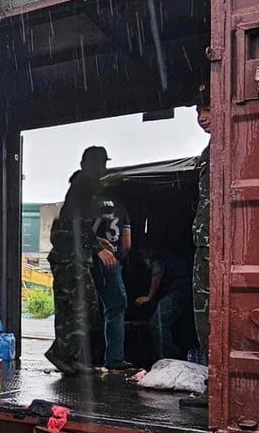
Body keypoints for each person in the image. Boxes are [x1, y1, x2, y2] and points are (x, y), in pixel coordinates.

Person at [43, 147, 113, 375]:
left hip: (66, 257)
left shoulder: (79, 186)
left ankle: (66, 356)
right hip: (72, 259)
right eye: (101, 164)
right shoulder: (86, 186)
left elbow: (74, 223)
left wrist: (97, 241)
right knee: (86, 306)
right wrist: (97, 248)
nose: (103, 169)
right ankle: (68, 355)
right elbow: (77, 223)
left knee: (68, 308)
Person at [183, 84, 212, 407]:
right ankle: (214, 379)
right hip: (206, 244)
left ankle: (218, 385)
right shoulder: (211, 150)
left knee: (210, 314)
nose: (202, 118)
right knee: (204, 315)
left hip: (214, 247)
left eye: (208, 110)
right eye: (198, 112)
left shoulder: (229, 144)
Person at [92, 185, 133, 371]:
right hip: (110, 263)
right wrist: (118, 259)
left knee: (83, 310)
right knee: (115, 309)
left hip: (86, 263)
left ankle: (82, 359)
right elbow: (126, 244)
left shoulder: (88, 205)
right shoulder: (120, 208)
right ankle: (114, 359)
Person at [135, 249, 192, 361]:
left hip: (179, 286)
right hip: (181, 285)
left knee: (158, 323)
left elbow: (157, 272)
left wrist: (149, 296)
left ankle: (167, 359)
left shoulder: (154, 251)